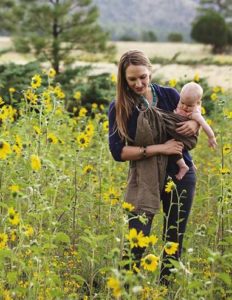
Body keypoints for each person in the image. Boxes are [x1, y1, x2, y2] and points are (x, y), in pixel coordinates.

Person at [108, 49, 199, 285]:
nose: (139, 83)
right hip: (144, 178)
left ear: (150, 73)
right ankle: (126, 289)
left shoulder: (169, 95)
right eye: (132, 79)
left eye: (143, 77)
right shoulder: (120, 106)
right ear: (123, 79)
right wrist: (160, 149)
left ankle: (166, 289)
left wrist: (192, 123)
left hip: (181, 175)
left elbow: (191, 114)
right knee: (137, 239)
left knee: (174, 237)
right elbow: (118, 152)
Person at [173, 81, 217, 180]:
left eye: (189, 106)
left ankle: (183, 166)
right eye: (182, 103)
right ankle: (190, 162)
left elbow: (204, 124)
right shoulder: (182, 104)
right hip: (180, 134)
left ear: (198, 104)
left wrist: (211, 137)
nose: (184, 107)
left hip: (185, 137)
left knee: (173, 148)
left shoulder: (194, 114)